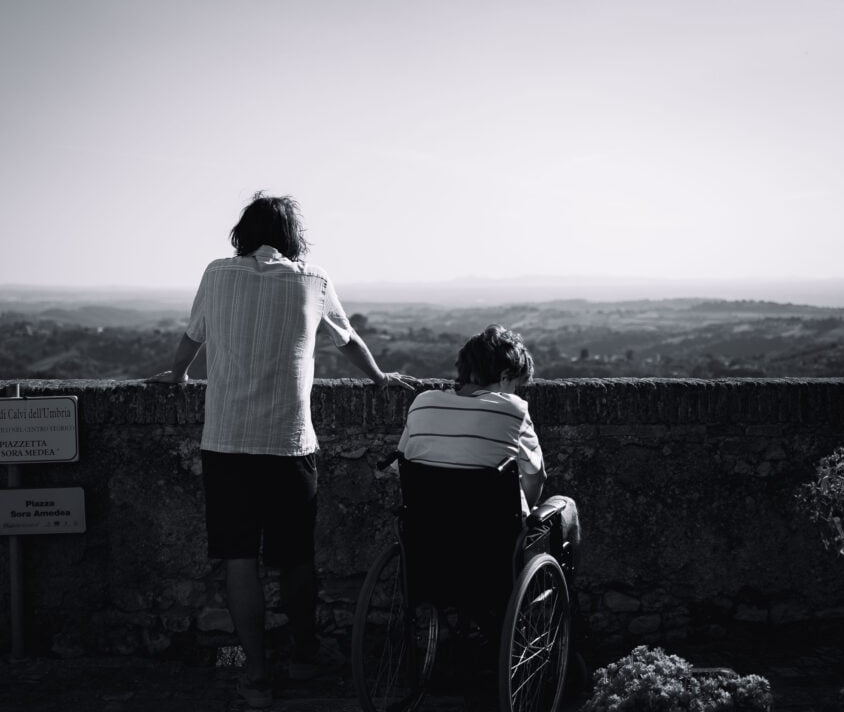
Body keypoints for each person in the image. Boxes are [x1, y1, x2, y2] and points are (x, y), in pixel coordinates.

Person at [147, 193, 413, 709]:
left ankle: (258, 675)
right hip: (289, 443)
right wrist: (381, 378)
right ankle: (305, 654)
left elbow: (191, 337)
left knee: (240, 560)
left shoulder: (217, 274)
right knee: (295, 561)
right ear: (293, 237)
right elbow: (348, 339)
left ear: (243, 233)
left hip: (224, 441)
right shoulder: (311, 280)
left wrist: (178, 376)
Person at [396, 324, 580, 550]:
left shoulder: (422, 402)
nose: (514, 392)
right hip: (494, 541)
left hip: (429, 539)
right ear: (504, 377)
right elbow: (535, 478)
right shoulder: (513, 409)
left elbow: (402, 463)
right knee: (567, 506)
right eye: (514, 385)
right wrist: (522, 517)